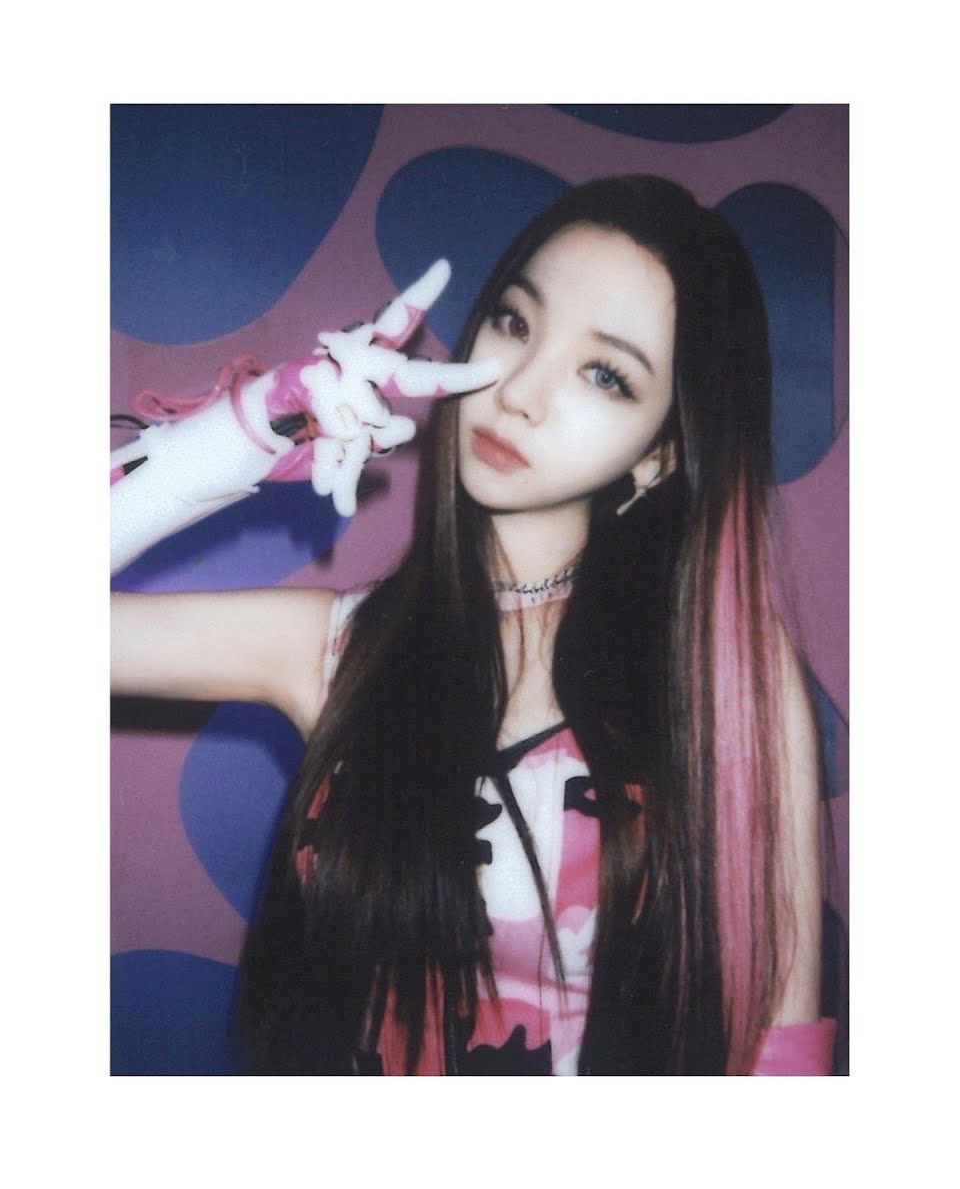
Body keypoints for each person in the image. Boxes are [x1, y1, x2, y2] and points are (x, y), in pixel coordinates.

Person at [111, 175, 837, 1075]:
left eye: (605, 374)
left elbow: (781, 1053)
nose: (521, 390)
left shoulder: (722, 679)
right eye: (515, 322)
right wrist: (241, 434)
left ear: (660, 453)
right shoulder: (338, 649)